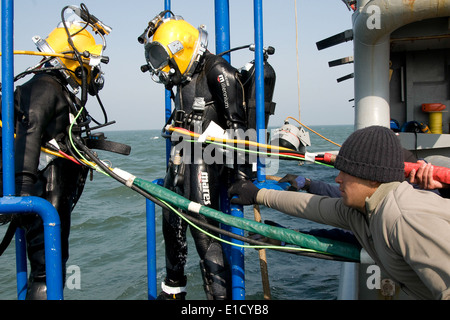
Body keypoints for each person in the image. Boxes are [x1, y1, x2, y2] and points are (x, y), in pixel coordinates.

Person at [229, 125, 450, 300]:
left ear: (372, 177)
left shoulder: (404, 219)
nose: (337, 179)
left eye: (347, 172)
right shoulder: (364, 208)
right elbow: (313, 206)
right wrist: (259, 195)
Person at [0, 5, 114, 299]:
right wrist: (21, 195)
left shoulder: (56, 88)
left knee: (52, 268)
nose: (93, 74)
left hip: (51, 194)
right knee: (46, 273)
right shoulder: (45, 87)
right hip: (42, 195)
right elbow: (30, 129)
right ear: (76, 60)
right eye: (91, 65)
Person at [139, 12, 253, 300]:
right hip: (182, 151)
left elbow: (238, 126)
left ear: (183, 50)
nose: (164, 70)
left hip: (207, 154)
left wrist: (241, 178)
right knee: (170, 217)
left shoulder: (218, 70)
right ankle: (174, 288)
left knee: (203, 229)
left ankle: (220, 298)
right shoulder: (183, 76)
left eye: (165, 60)